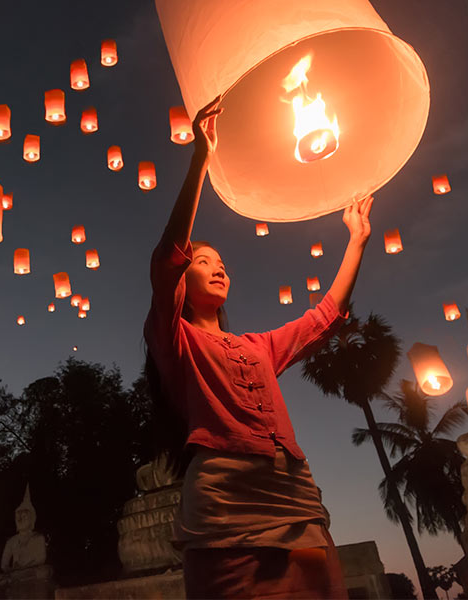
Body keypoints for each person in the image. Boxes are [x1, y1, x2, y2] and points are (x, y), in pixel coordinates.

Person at [143, 96, 373, 599]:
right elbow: (166, 259)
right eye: (205, 261)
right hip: (224, 500)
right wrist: (200, 158)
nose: (219, 267)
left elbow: (324, 319)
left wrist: (356, 240)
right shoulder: (173, 337)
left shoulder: (258, 346)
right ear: (186, 274)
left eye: (222, 261)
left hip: (293, 495)